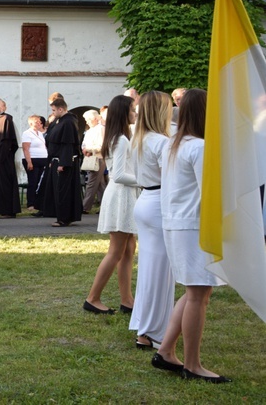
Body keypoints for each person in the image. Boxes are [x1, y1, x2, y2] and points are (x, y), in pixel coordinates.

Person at [153, 89, 231, 383]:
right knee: (198, 295)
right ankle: (193, 364)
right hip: (192, 226)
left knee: (195, 292)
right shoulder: (198, 147)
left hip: (178, 223)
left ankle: (166, 351)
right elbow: (211, 191)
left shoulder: (175, 143)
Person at [130, 91, 175, 350]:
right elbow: (174, 178)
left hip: (146, 200)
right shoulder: (160, 141)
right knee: (160, 271)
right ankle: (153, 331)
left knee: (150, 268)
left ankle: (146, 329)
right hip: (158, 202)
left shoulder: (140, 138)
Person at [84, 95, 138, 314]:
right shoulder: (121, 139)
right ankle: (93, 298)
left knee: (129, 249)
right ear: (124, 113)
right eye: (133, 109)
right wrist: (146, 180)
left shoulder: (120, 137)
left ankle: (127, 300)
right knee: (116, 251)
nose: (135, 113)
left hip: (125, 195)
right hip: (121, 196)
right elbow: (118, 175)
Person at [41, 97, 82, 226]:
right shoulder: (60, 121)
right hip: (56, 160)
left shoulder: (68, 122)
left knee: (63, 191)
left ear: (61, 109)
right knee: (57, 190)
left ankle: (64, 218)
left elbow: (67, 144)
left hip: (63, 162)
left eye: (54, 110)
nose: (52, 113)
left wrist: (63, 163)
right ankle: (61, 216)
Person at [81, 109, 107, 213]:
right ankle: (105, 206)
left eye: (88, 119)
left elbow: (101, 145)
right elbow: (84, 143)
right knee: (100, 184)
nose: (86, 122)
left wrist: (89, 150)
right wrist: (84, 150)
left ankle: (85, 207)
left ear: (95, 119)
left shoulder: (101, 129)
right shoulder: (90, 130)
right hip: (90, 157)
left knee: (91, 183)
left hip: (98, 158)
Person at [21, 115, 48, 211]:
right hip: (33, 159)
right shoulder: (27, 133)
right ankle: (31, 203)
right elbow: (25, 148)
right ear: (31, 123)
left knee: (40, 182)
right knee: (33, 181)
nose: (39, 123)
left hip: (42, 159)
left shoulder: (40, 134)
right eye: (36, 121)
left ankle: (39, 202)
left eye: (39, 121)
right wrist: (29, 162)